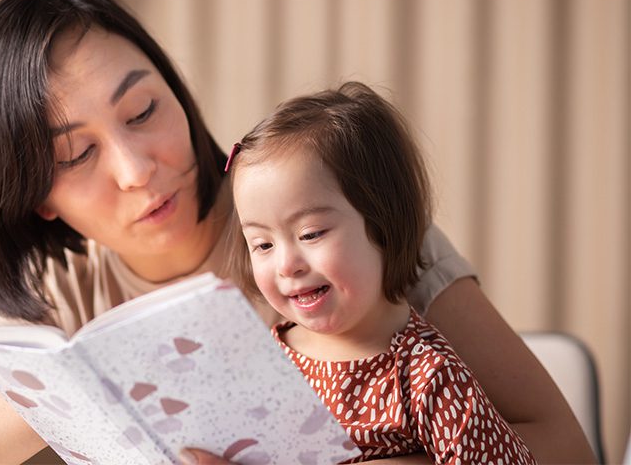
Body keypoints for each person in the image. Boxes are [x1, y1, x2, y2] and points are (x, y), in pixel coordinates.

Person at [0, 0, 595, 464]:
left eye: (144, 110)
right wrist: (92, 388)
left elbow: (563, 444)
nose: (136, 169)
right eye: (77, 154)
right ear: (41, 198)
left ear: (177, 92)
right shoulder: (63, 290)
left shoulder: (323, 220)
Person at [225, 81, 537, 464]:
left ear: (383, 227)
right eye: (263, 245)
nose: (287, 265)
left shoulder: (426, 376)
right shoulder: (270, 359)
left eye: (311, 234)